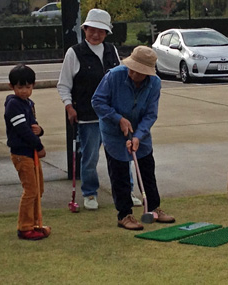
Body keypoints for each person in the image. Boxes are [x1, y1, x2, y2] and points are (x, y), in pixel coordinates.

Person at [57, 8, 141, 210]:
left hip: (114, 115)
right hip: (88, 115)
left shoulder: (112, 51)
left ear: (106, 33)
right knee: (90, 156)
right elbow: (64, 84)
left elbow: (122, 80)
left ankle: (126, 191)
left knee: (122, 154)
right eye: (91, 30)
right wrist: (69, 107)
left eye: (100, 31)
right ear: (84, 29)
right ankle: (90, 193)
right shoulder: (74, 53)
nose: (95, 35)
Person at [92, 46, 176, 230]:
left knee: (147, 169)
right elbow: (97, 101)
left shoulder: (154, 84)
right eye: (131, 67)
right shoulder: (114, 76)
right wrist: (118, 119)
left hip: (140, 131)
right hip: (113, 131)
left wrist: (138, 136)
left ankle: (153, 209)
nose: (132, 73)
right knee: (120, 172)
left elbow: (151, 114)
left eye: (138, 71)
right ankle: (124, 215)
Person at [4, 64, 50, 240]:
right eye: (20, 87)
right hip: (22, 153)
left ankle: (36, 223)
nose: (24, 91)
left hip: (31, 152)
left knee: (38, 189)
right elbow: (23, 129)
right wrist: (39, 146)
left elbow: (32, 126)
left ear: (33, 86)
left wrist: (40, 130)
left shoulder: (28, 103)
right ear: (12, 87)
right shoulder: (13, 105)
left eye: (28, 87)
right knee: (31, 190)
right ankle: (25, 227)